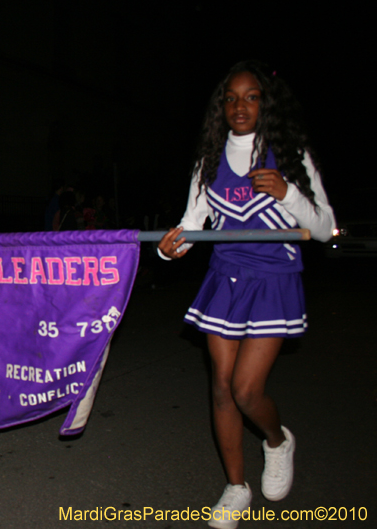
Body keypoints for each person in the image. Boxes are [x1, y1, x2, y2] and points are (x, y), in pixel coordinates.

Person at [158, 61, 334, 529]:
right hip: (225, 279)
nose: (240, 106)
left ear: (265, 103)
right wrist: (171, 249)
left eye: (251, 96)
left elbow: (322, 229)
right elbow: (192, 226)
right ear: (223, 107)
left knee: (245, 389)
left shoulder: (291, 151)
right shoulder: (209, 160)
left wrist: (288, 194)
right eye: (232, 98)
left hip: (274, 281)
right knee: (220, 388)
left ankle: (276, 441)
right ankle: (236, 487)